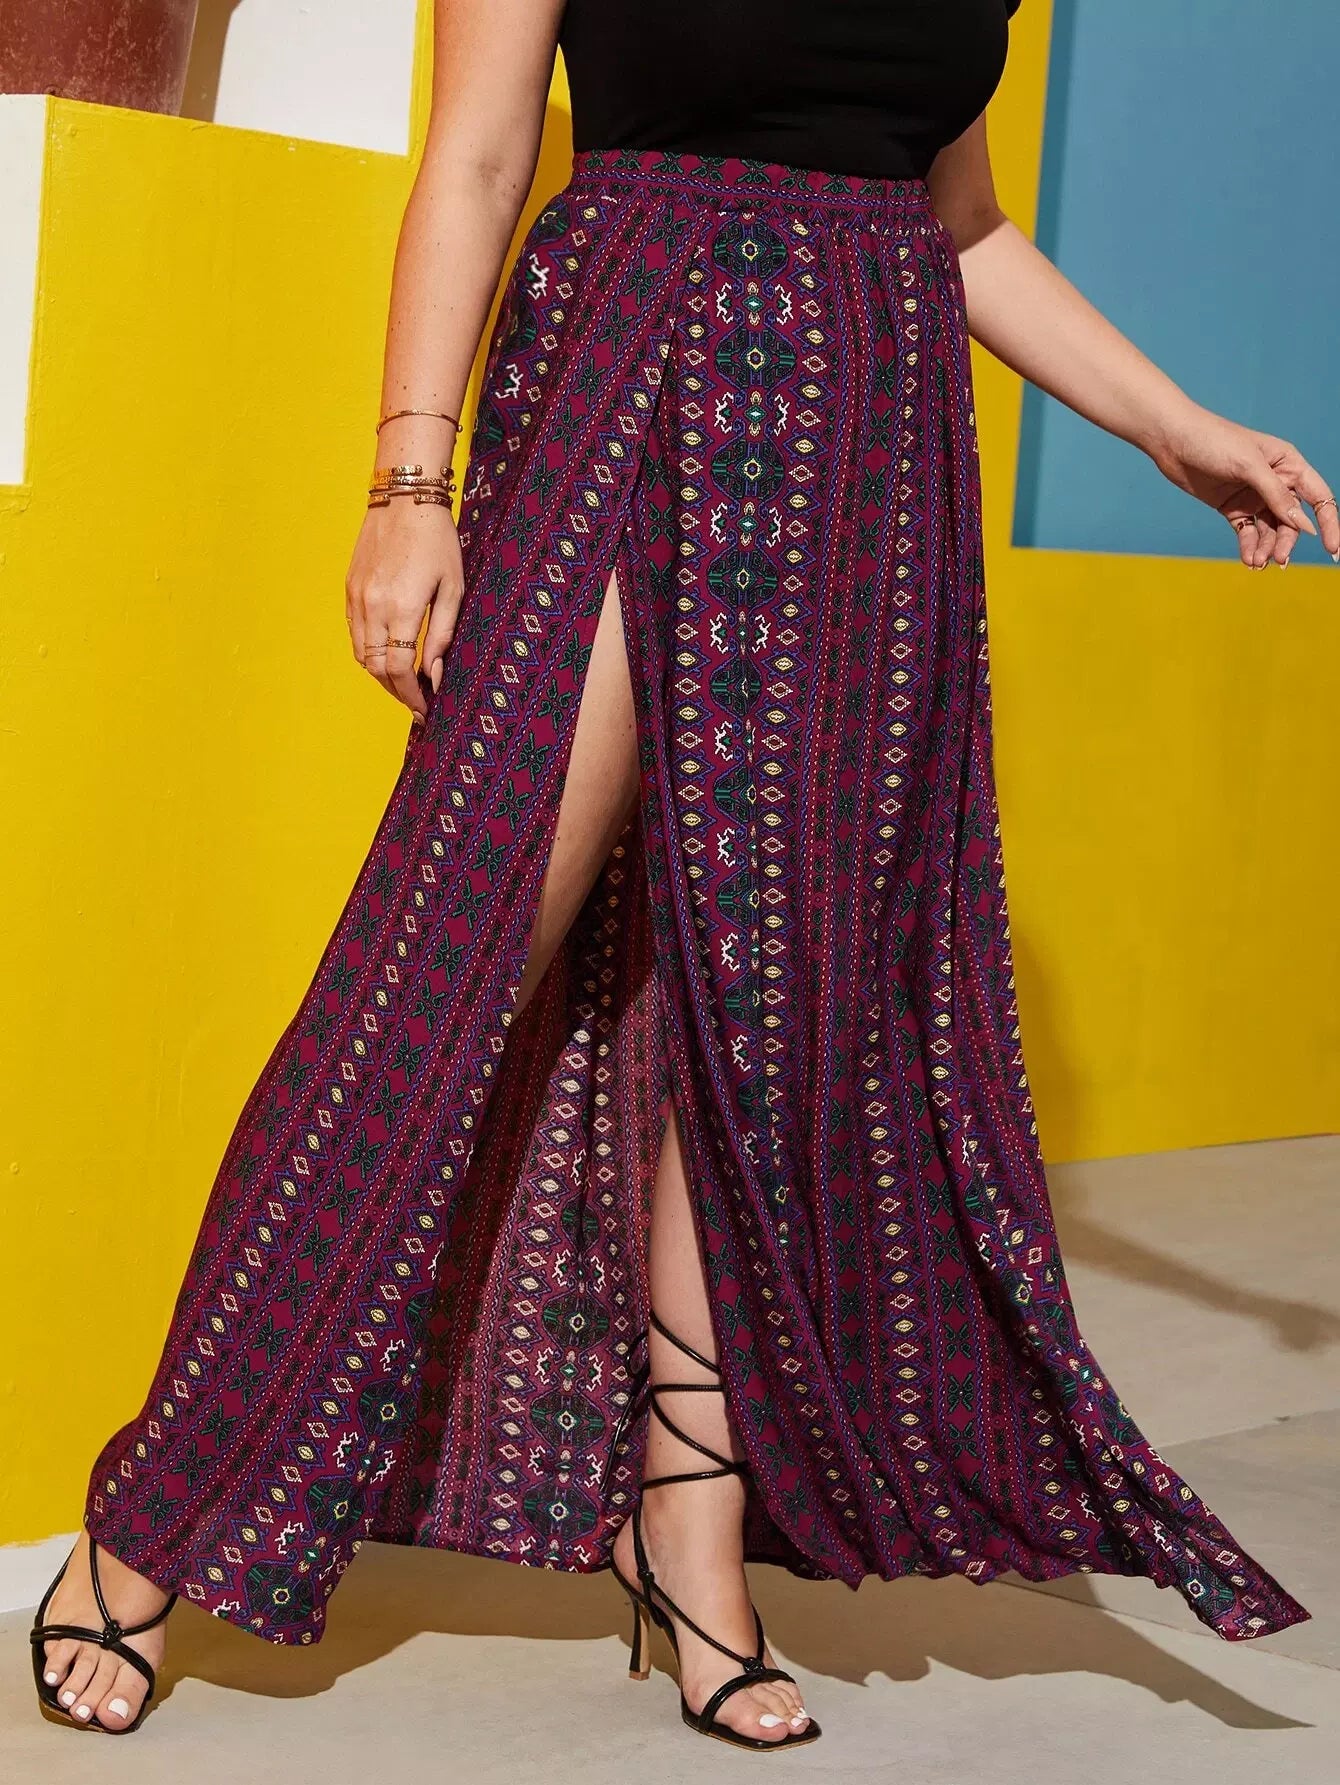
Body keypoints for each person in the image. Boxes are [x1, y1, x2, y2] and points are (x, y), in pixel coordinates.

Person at [32, 0, 1328, 1752]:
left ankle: (689, 1526)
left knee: (776, 1009)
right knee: (450, 956)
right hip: (631, 361)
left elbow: (962, 225)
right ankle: (166, 1500)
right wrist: (410, 479)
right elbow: (480, 156)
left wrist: (1171, 428)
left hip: (871, 430)